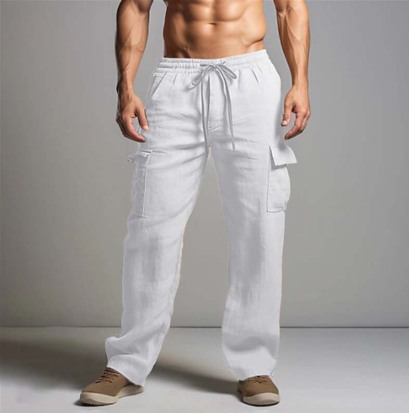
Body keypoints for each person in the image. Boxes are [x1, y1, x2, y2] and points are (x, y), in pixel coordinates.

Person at [80, 0, 310, 407]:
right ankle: (128, 364)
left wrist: (301, 81)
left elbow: (290, 6)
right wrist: (125, 86)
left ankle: (255, 365)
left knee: (259, 225)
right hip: (177, 81)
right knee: (151, 227)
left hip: (250, 79)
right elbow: (135, 6)